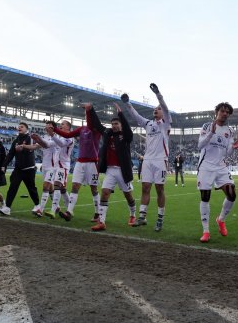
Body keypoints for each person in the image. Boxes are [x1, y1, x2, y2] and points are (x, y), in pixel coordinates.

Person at [122, 84, 172, 231]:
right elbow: (135, 116)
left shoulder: (166, 123)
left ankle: (160, 218)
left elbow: (165, 107)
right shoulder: (148, 124)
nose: (156, 110)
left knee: (159, 189)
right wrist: (127, 103)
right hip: (148, 160)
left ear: (163, 113)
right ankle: (142, 217)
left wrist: (158, 94)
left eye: (158, 109)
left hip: (161, 160)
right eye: (154, 109)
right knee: (145, 188)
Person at [87, 102, 137, 231]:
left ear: (121, 125)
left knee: (128, 195)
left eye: (117, 124)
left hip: (123, 171)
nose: (114, 126)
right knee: (104, 193)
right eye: (113, 124)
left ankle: (132, 215)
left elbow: (128, 131)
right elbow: (97, 125)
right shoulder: (108, 134)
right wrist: (91, 110)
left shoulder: (126, 137)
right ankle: (102, 222)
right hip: (110, 170)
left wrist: (120, 113)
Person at [196, 102, 238, 243]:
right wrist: (211, 133)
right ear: (216, 112)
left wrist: (233, 147)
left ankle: (221, 220)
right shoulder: (207, 126)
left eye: (227, 112)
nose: (225, 113)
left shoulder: (229, 130)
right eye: (222, 111)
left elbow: (227, 152)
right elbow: (200, 145)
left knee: (232, 195)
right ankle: (206, 231)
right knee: (205, 197)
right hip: (206, 166)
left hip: (221, 166)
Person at [52, 105, 102, 221]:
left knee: (94, 189)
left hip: (92, 163)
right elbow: (67, 135)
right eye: (86, 115)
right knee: (75, 186)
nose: (86, 117)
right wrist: (54, 129)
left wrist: (88, 110)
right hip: (80, 162)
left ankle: (97, 213)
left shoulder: (97, 129)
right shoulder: (81, 129)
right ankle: (69, 212)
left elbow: (90, 123)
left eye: (88, 116)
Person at [0, 122, 40, 216]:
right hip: (18, 169)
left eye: (22, 127)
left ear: (26, 129)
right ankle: (7, 208)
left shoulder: (30, 138)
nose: (19, 128)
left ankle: (37, 206)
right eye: (19, 127)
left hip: (29, 168)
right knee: (13, 187)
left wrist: (23, 147)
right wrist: (4, 165)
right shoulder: (16, 140)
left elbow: (32, 148)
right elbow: (10, 154)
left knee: (31, 189)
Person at [30, 121, 61, 218]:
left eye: (49, 127)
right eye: (46, 126)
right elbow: (36, 146)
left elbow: (46, 144)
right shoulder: (45, 136)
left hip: (53, 166)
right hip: (45, 166)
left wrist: (38, 139)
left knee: (45, 187)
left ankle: (40, 210)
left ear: (54, 128)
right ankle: (57, 207)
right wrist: (24, 147)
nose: (47, 128)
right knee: (50, 188)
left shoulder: (57, 138)